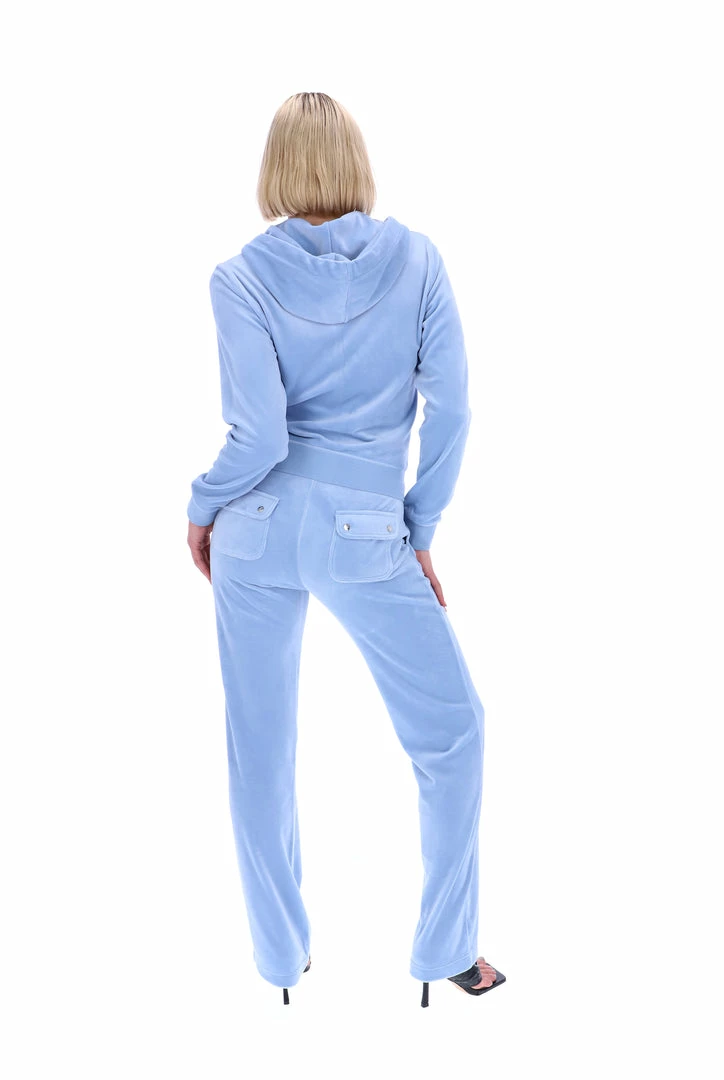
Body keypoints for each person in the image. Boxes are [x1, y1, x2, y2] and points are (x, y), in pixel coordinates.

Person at [186, 91, 505, 1007]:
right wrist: (420, 528)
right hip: (367, 534)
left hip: (253, 532)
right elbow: (454, 410)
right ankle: (448, 952)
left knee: (260, 748)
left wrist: (202, 506)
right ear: (358, 162)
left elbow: (258, 437)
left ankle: (281, 962)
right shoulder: (419, 261)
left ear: (275, 170)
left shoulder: (238, 277)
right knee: (453, 734)